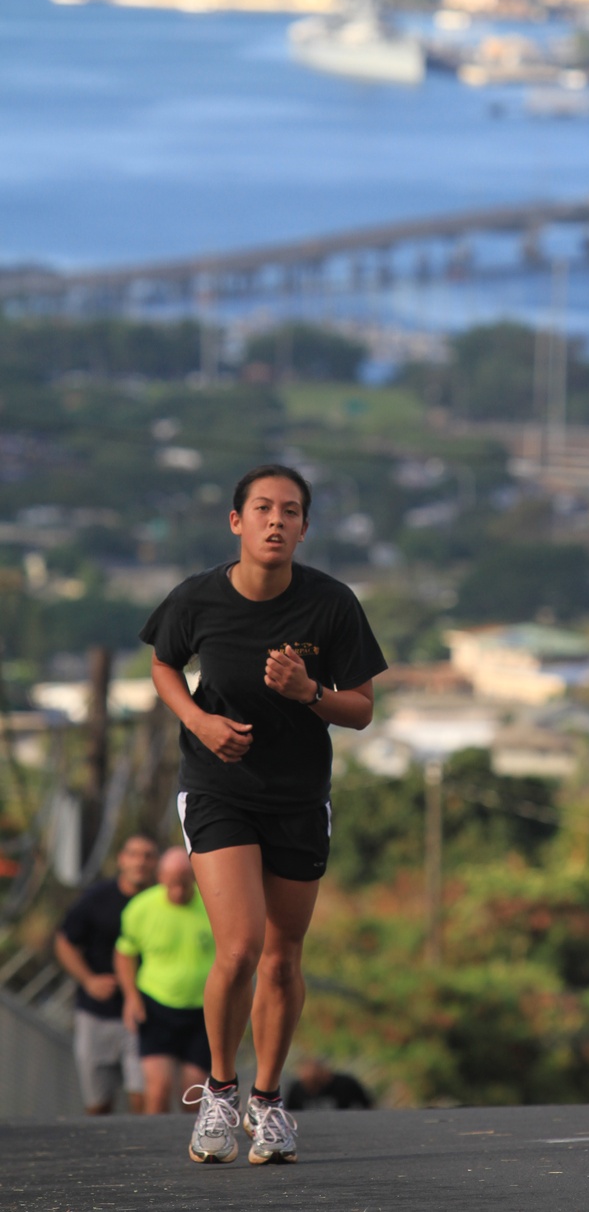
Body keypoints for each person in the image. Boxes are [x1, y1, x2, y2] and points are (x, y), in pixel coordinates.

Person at [139, 463, 386, 1166]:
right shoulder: (198, 599)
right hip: (218, 788)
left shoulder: (331, 605)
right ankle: (219, 1092)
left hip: (299, 798)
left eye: (291, 511)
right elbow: (163, 664)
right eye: (264, 509)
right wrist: (197, 720)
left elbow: (362, 709)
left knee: (282, 960)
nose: (277, 521)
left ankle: (268, 1105)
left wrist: (310, 691)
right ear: (237, 522)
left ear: (305, 527)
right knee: (241, 947)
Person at [55, 832, 159, 1115]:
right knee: (98, 1105)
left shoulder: (162, 901)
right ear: (121, 860)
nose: (141, 862)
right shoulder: (96, 899)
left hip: (144, 1015)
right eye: (134, 854)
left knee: (144, 1097)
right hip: (97, 1012)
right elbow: (65, 941)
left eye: (148, 855)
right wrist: (89, 980)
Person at [114, 846, 214, 1114]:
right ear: (161, 878)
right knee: (158, 1090)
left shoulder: (213, 905)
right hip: (157, 1006)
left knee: (193, 1093)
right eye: (172, 885)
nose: (179, 892)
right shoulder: (141, 908)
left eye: (184, 884)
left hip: (202, 1011)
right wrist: (132, 998)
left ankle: (197, 1146)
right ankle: (153, 1151)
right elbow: (125, 954)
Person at [285, 1058, 373, 1112]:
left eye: (314, 1081)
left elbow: (367, 1104)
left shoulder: (345, 1084)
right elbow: (290, 1112)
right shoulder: (296, 1090)